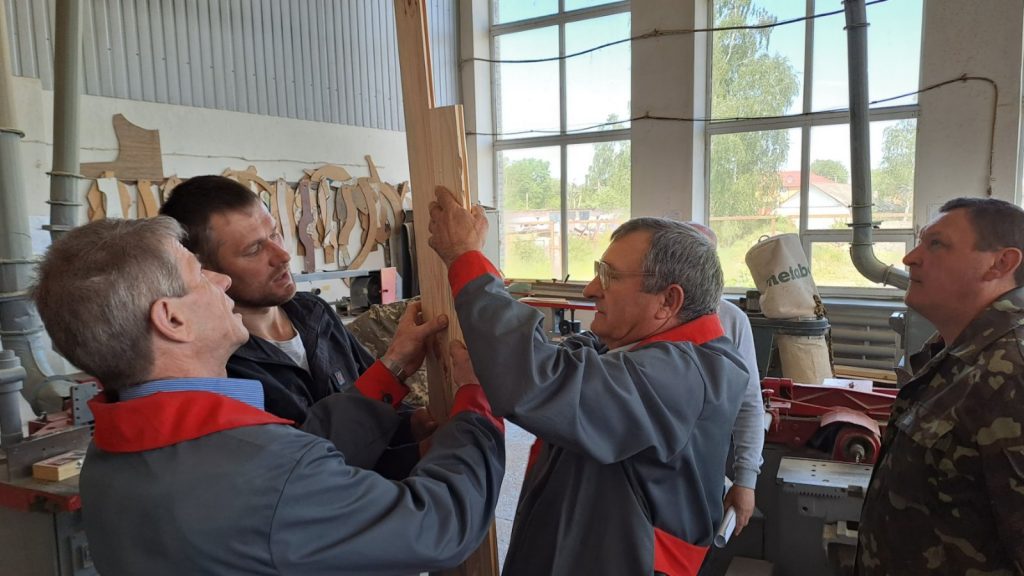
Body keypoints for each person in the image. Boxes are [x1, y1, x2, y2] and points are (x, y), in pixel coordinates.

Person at [32, 217, 504, 576]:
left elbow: (297, 464)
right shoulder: (265, 468)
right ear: (172, 319)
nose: (222, 281)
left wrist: (394, 382)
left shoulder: (110, 454)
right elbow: (438, 524)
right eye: (200, 275)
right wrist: (477, 401)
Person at [428, 187, 749, 576]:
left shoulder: (683, 376)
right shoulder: (648, 350)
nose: (590, 289)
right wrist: (496, 354)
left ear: (668, 301)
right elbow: (570, 359)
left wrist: (465, 260)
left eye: (610, 276)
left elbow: (539, 382)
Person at [160, 176, 422, 474]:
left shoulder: (315, 312)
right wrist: (394, 365)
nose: (282, 256)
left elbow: (380, 412)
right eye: (254, 250)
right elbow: (305, 470)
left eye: (275, 234)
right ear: (205, 272)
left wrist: (415, 426)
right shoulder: (221, 367)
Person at [857, 197, 1024, 574]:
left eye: (936, 244)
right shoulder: (955, 354)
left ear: (1001, 263)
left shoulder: (1012, 371)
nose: (909, 258)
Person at [688, 222, 765, 535]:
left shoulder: (732, 321)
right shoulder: (646, 316)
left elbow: (749, 404)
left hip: (704, 474)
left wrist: (745, 480)